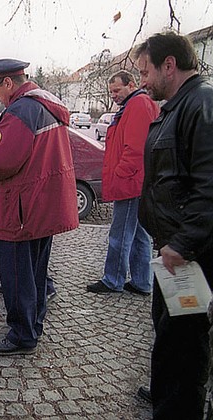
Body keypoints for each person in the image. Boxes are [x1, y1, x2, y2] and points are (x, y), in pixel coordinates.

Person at [0, 59, 78, 355]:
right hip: (40, 207)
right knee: (36, 274)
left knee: (16, 277)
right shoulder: (45, 105)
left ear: (7, 83)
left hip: (19, 210)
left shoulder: (20, 110)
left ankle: (22, 336)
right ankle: (34, 324)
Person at [133, 31, 213, 419]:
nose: (143, 81)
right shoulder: (178, 106)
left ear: (169, 65)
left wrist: (182, 242)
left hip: (191, 255)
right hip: (173, 251)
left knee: (184, 343)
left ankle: (178, 408)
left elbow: (209, 184)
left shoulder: (202, 104)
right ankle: (166, 397)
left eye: (146, 71)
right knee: (168, 335)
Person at [86, 70, 159, 296]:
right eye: (111, 92)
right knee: (138, 235)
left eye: (117, 90)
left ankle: (113, 280)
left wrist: (120, 174)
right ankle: (141, 282)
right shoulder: (135, 104)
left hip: (130, 183)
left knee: (120, 235)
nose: (114, 95)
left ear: (131, 85)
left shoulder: (137, 105)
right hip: (136, 182)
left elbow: (136, 149)